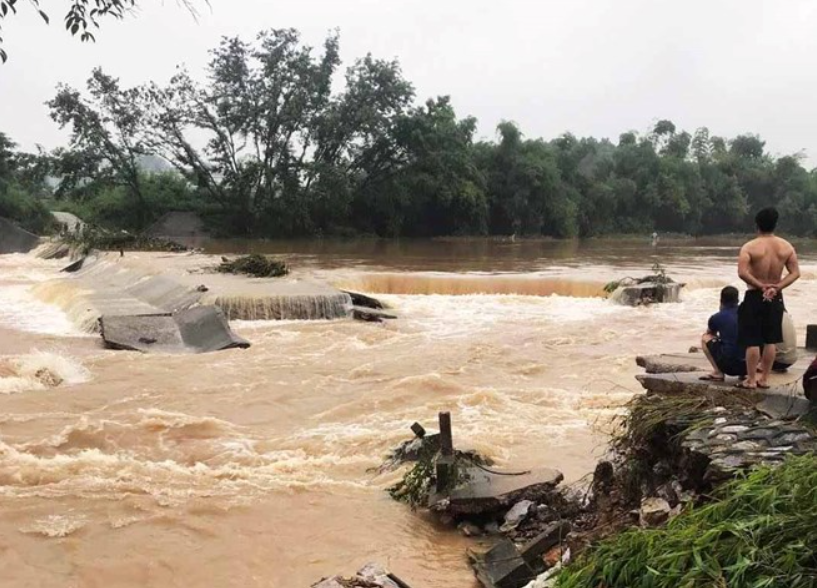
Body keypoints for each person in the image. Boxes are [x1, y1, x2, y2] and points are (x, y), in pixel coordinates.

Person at [736, 207, 800, 389]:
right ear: (775, 225)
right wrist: (776, 287)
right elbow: (795, 273)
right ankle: (764, 379)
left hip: (755, 294)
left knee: (752, 340)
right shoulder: (786, 247)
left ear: (757, 225)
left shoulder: (750, 247)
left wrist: (760, 285)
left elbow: (742, 273)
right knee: (770, 340)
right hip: (775, 295)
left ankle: (750, 380)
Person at [700, 286, 746, 381]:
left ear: (721, 300)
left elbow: (710, 333)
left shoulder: (717, 317)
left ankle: (718, 372)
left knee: (705, 338)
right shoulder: (748, 314)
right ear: (737, 299)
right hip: (748, 365)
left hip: (728, 366)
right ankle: (744, 375)